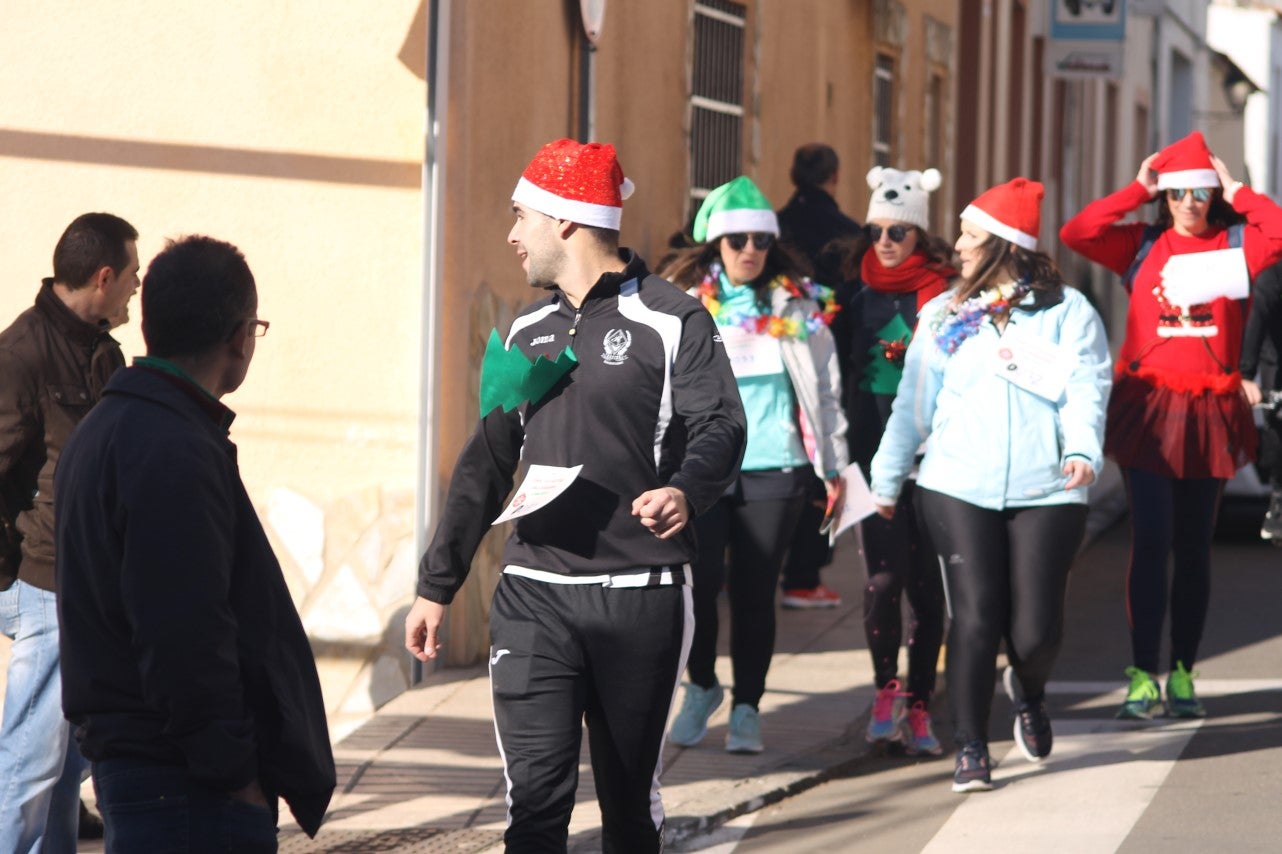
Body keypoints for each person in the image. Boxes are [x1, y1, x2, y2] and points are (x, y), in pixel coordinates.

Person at [404, 139, 746, 852]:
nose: (511, 234)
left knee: (628, 809)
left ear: (564, 222)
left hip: (642, 593)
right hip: (534, 594)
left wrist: (685, 489)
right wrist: (437, 585)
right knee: (534, 807)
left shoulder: (672, 319)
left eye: (520, 216)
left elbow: (720, 425)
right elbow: (485, 466)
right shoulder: (526, 332)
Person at [55, 236, 336, 849]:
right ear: (240, 337)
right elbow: (183, 637)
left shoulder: (116, 425)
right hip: (182, 784)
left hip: (156, 772)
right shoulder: (167, 445)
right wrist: (234, 774)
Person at [871, 178, 1112, 792]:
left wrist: (1083, 449)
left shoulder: (1067, 312)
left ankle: (1029, 691)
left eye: (971, 236)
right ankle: (971, 745)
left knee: (1036, 633)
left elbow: (1086, 389)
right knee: (975, 618)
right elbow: (913, 403)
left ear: (1004, 245)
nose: (958, 246)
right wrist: (888, 475)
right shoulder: (945, 312)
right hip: (957, 482)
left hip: (1049, 487)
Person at [1060, 131, 1282, 719]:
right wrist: (1136, 188)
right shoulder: (1142, 243)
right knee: (1151, 542)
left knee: (1193, 549)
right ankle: (1142, 674)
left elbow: (1279, 233)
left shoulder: (1237, 242)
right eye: (1178, 192)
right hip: (1150, 411)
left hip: (1210, 411)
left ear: (1212, 197)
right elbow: (1076, 232)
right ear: (1166, 195)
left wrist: (1240, 190)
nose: (1189, 202)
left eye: (1201, 192)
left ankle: (1182, 670)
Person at [658, 176, 847, 754]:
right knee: (696, 585)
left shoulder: (797, 303)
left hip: (776, 467)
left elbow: (826, 390)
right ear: (715, 244)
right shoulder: (682, 303)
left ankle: (747, 706)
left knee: (754, 592)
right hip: (700, 470)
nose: (748, 251)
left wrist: (834, 466)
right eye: (736, 239)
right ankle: (704, 686)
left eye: (760, 242)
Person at [0, 212, 138, 854]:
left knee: (61, 764)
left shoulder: (101, 349)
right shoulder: (22, 352)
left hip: (94, 584)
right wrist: (12, 577)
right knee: (29, 764)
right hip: (47, 582)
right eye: (132, 275)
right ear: (104, 277)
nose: (137, 288)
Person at [833, 167, 952, 754]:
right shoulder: (853, 295)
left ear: (920, 237)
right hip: (870, 462)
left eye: (898, 232)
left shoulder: (949, 296)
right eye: (877, 229)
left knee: (927, 592)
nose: (885, 240)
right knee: (883, 584)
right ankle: (887, 688)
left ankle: (922, 703)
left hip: (934, 466)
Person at [776, 142, 863, 608]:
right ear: (834, 176)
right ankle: (803, 576)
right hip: (827, 359)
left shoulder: (772, 229)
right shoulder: (849, 234)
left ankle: (740, 569)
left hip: (772, 357)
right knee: (821, 460)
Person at [1237, 258, 1282, 543]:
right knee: (1276, 420)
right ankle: (1278, 500)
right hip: (1275, 361)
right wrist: (1246, 374)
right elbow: (1257, 316)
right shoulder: (1273, 272)